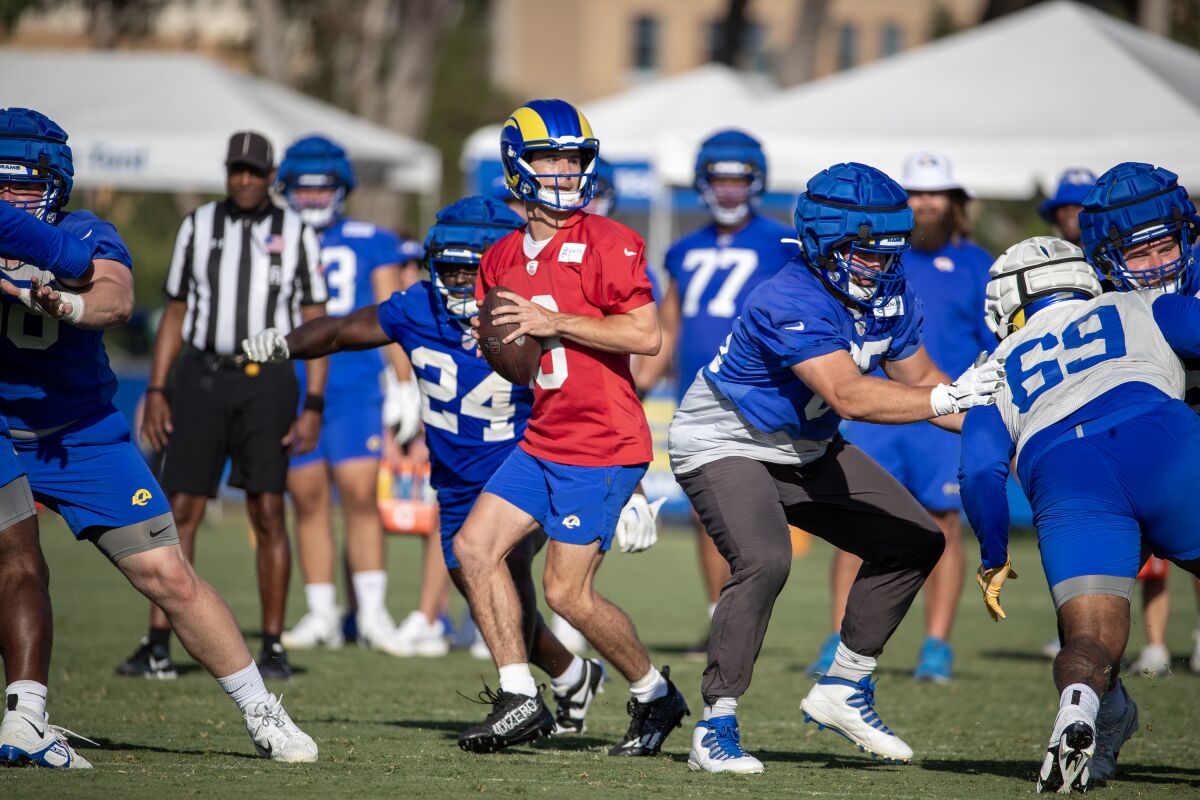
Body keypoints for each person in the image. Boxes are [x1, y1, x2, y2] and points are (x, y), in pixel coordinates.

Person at [0, 108, 316, 765]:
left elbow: (114, 296)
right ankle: (25, 715)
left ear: (54, 184)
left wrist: (64, 302)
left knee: (169, 573)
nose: (7, 199)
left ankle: (264, 713)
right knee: (18, 556)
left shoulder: (85, 232)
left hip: (81, 429)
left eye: (22, 185)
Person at [668, 162, 1004, 773]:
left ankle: (844, 687)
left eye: (889, 251)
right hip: (726, 440)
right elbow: (850, 395)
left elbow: (923, 381)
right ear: (825, 243)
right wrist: (948, 398)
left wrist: (1001, 417)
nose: (880, 265)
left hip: (805, 447)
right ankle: (715, 724)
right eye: (865, 252)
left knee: (916, 539)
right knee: (766, 559)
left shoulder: (890, 292)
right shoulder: (788, 296)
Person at [242, 194, 619, 735]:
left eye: (475, 271)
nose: (464, 285)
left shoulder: (535, 307)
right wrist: (284, 343)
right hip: (455, 476)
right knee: (483, 590)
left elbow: (591, 391)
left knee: (500, 569)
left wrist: (613, 480)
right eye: (452, 270)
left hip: (522, 463)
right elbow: (341, 330)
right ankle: (571, 674)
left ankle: (521, 696)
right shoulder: (419, 307)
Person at [451, 99, 688, 756]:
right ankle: (519, 696)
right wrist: (495, 345)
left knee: (565, 593)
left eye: (573, 157)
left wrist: (553, 322)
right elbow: (517, 360)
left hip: (603, 442)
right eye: (549, 157)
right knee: (473, 550)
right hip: (544, 434)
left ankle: (653, 693)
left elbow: (645, 333)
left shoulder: (609, 241)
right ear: (515, 167)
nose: (563, 170)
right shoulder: (498, 258)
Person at [959, 233, 1200, 792]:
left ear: (1003, 301)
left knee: (1088, 639)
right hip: (1159, 439)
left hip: (1065, 473)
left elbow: (979, 472)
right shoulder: (1138, 303)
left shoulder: (992, 366)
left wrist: (995, 555)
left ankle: (1078, 708)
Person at [127, 130, 328, 681]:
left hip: (269, 382)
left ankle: (274, 644)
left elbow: (317, 323)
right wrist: (157, 389)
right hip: (203, 375)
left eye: (254, 172)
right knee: (180, 508)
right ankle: (158, 641)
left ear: (271, 177)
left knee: (267, 509)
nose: (244, 180)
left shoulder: (297, 232)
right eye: (236, 170)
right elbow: (174, 312)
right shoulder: (198, 226)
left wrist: (313, 402)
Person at [809, 151, 993, 682]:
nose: (925, 202)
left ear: (955, 201)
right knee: (852, 523)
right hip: (872, 410)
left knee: (943, 526)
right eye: (915, 193)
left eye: (936, 192)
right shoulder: (874, 255)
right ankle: (838, 638)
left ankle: (936, 645)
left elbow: (991, 350)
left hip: (941, 413)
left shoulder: (978, 265)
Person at [633, 130, 793, 653]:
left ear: (756, 182)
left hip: (762, 395)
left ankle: (752, 620)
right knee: (709, 514)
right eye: (719, 180)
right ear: (703, 182)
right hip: (700, 398)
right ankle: (720, 621)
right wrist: (636, 385)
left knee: (762, 514)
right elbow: (668, 329)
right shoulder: (683, 249)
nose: (727, 191)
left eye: (737, 180)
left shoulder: (782, 243)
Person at [272, 135, 431, 655]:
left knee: (362, 497)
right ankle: (320, 611)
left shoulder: (371, 239)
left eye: (324, 189)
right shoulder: (271, 238)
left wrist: (406, 385)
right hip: (291, 385)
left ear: (342, 190)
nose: (315, 198)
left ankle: (371, 612)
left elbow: (394, 314)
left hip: (357, 385)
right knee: (308, 497)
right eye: (304, 188)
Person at [1039, 168, 1097, 247]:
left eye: (1078, 206)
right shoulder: (1044, 255)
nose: (1070, 213)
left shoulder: (1116, 256)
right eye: (1064, 206)